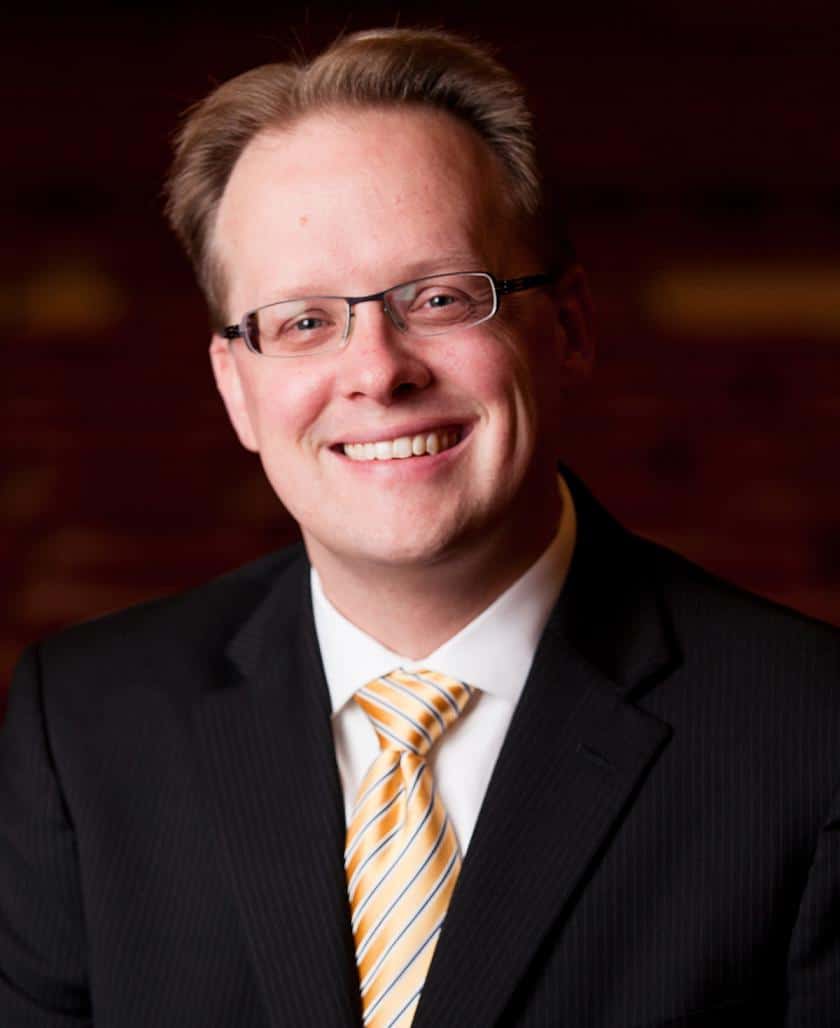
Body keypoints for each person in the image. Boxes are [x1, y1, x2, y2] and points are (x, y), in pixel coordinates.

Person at [1, 25, 838, 1028]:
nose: (377, 370)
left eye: (439, 297)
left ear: (569, 327)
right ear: (235, 386)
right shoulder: (83, 725)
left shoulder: (811, 728)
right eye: (305, 321)